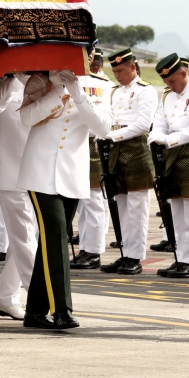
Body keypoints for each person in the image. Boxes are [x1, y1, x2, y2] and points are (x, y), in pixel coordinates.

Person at [18, 69, 112, 329]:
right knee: (58, 236)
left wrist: (78, 92)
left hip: (72, 173)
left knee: (51, 242)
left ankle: (35, 311)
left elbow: (103, 128)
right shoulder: (39, 80)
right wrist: (56, 91)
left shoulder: (99, 85)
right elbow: (26, 118)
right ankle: (62, 309)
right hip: (39, 171)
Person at [148, 54, 189, 278]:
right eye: (166, 83)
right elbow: (159, 123)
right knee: (176, 211)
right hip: (170, 155)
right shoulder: (167, 96)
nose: (170, 86)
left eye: (172, 81)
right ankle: (180, 257)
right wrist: (156, 136)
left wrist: (168, 140)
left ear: (183, 74)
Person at [0, 73, 37, 320]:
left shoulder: (35, 82)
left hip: (33, 174)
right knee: (24, 237)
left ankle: (6, 297)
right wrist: (12, 75)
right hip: (8, 173)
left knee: (23, 238)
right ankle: (42, 298)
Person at [100, 48, 157, 275]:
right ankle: (125, 253)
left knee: (137, 208)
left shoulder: (146, 91)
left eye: (121, 70)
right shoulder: (114, 92)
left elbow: (143, 124)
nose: (117, 75)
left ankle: (135, 257)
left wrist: (114, 136)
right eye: (114, 70)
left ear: (133, 67)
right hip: (115, 151)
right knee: (121, 207)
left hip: (136, 150)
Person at [74, 47, 114, 268]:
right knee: (81, 202)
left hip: (91, 144)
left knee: (93, 200)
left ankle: (94, 251)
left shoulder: (101, 84)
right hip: (71, 145)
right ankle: (85, 248)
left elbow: (99, 123)